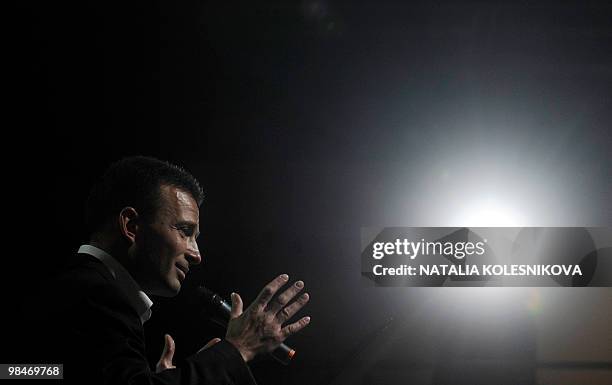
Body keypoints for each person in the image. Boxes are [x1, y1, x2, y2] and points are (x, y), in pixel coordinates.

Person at [31, 156, 311, 384]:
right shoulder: (93, 294)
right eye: (185, 231)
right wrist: (239, 348)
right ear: (131, 226)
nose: (197, 254)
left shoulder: (76, 290)